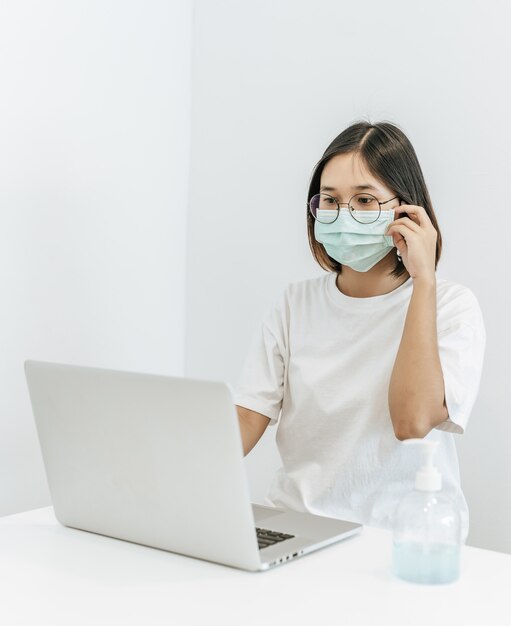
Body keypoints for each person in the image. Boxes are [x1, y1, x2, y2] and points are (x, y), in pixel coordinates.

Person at [232, 120, 485, 543]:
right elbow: (245, 417)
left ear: (407, 211)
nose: (342, 215)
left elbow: (413, 420)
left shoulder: (452, 307)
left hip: (399, 540)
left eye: (365, 200)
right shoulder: (294, 305)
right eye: (329, 200)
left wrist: (424, 281)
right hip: (296, 528)